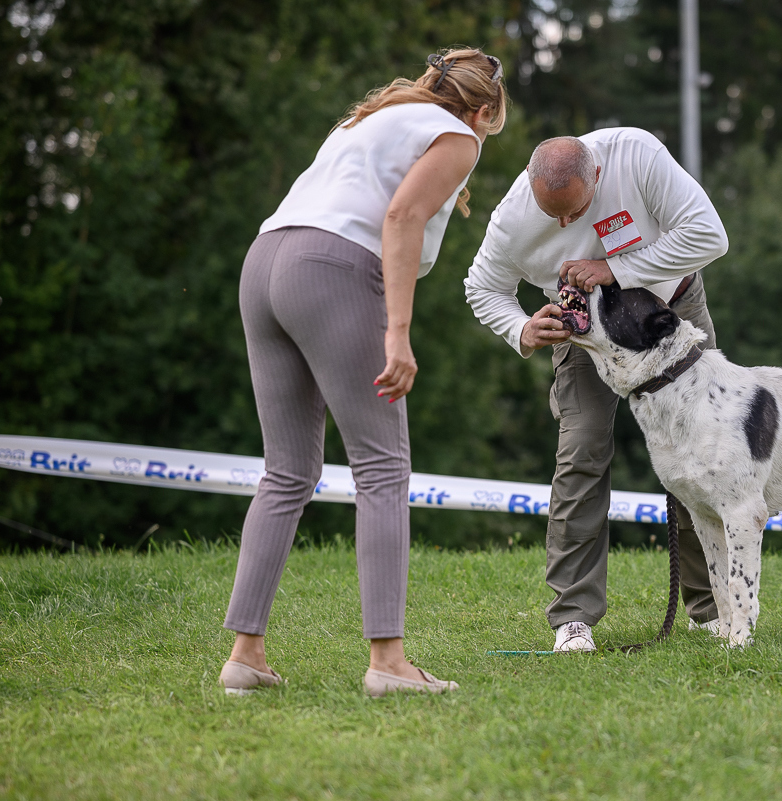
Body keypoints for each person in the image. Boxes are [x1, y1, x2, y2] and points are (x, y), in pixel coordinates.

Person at [218, 48, 506, 696]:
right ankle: (388, 663)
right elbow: (401, 217)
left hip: (263, 262)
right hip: (332, 269)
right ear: (484, 110)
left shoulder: (373, 117)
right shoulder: (458, 135)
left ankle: (246, 657)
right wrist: (397, 332)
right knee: (381, 468)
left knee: (286, 471)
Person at [464, 130, 728, 652]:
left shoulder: (636, 154)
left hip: (671, 308)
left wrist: (614, 270)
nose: (565, 225)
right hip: (585, 335)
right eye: (552, 214)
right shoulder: (512, 219)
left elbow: (709, 236)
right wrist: (521, 328)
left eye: (575, 210)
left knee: (703, 450)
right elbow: (482, 287)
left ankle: (711, 607)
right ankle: (573, 618)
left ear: (599, 176)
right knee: (581, 451)